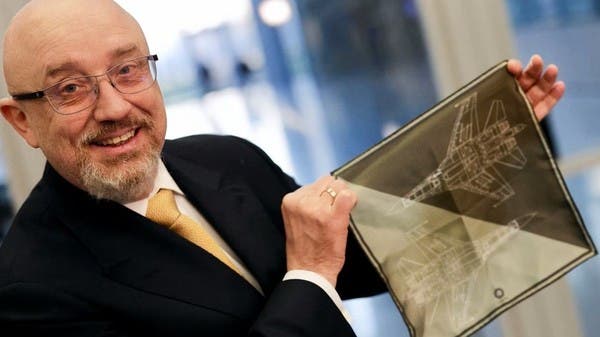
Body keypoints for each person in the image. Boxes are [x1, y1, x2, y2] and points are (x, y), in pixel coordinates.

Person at [0, 1, 565, 336]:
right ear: (21, 121)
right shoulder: (29, 290)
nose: (116, 107)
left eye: (128, 69)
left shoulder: (224, 157)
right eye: (69, 88)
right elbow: (318, 271)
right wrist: (311, 272)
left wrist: (500, 136)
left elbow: (363, 256)